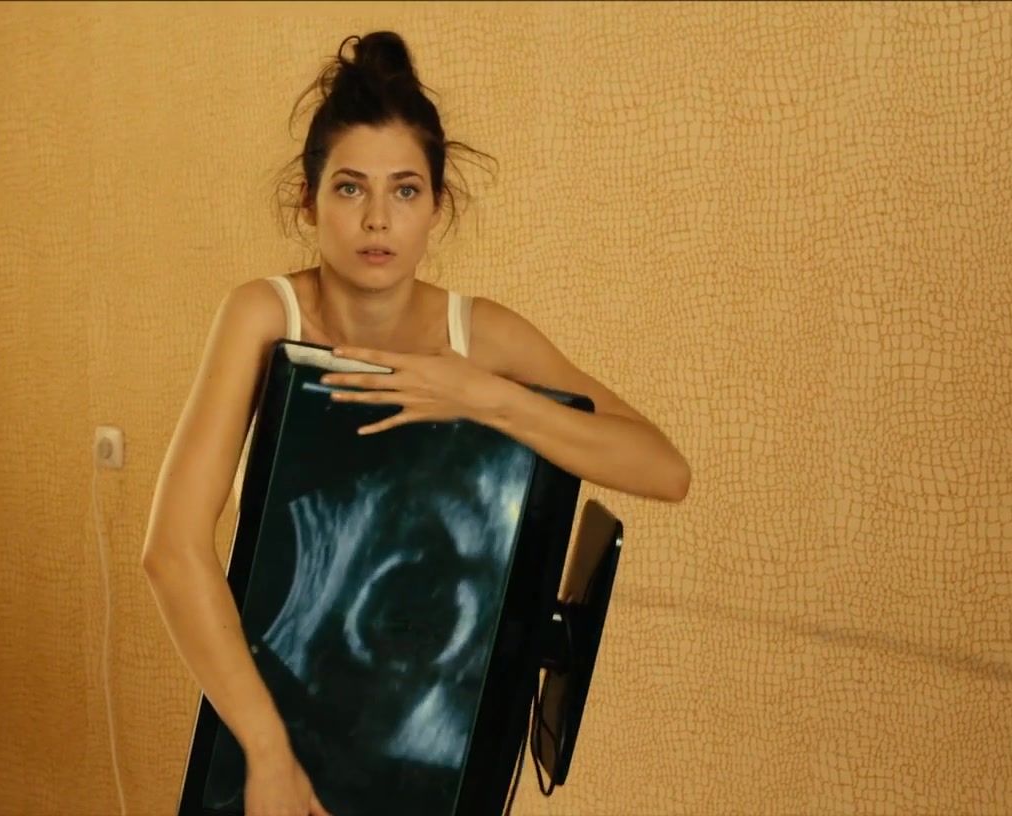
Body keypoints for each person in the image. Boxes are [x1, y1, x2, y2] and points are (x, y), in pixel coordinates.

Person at [141, 30, 692, 816]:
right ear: (308, 199)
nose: (378, 220)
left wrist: (484, 396)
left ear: (436, 205)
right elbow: (171, 551)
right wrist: (266, 752)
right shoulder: (264, 315)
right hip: (273, 717)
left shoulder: (480, 335)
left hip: (436, 736)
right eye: (349, 188)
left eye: (404, 191)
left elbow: (663, 470)